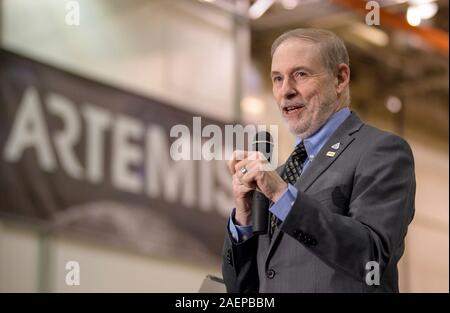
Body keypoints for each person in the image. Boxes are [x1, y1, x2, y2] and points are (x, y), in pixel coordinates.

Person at [221, 28, 416, 293]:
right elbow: (241, 289)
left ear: (340, 78)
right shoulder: (278, 178)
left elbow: (371, 257)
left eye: (300, 74)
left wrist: (282, 195)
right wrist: (243, 220)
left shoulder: (382, 151)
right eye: (277, 79)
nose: (285, 91)